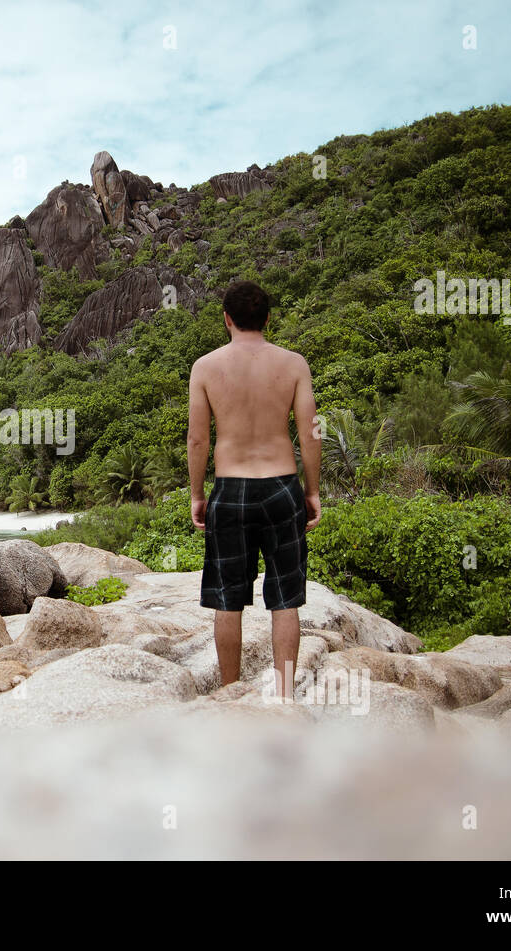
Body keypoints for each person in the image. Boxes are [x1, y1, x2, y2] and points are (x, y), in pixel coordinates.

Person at [187, 281, 322, 700]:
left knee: (228, 597)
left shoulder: (205, 367)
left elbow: (197, 440)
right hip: (282, 488)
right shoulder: (294, 364)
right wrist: (312, 491)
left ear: (226, 319)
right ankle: (284, 696)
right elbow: (310, 433)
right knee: (285, 598)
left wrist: (197, 495)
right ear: (267, 318)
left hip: (230, 490)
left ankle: (231, 694)